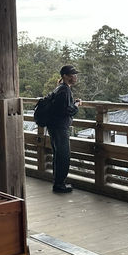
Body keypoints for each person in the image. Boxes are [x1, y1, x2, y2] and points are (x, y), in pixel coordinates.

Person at [47, 64, 81, 193]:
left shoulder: (59, 88)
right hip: (60, 127)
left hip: (54, 126)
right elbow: (67, 110)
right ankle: (59, 185)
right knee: (63, 156)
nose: (75, 77)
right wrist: (76, 105)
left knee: (58, 155)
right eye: (73, 74)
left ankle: (58, 183)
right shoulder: (64, 90)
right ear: (65, 76)